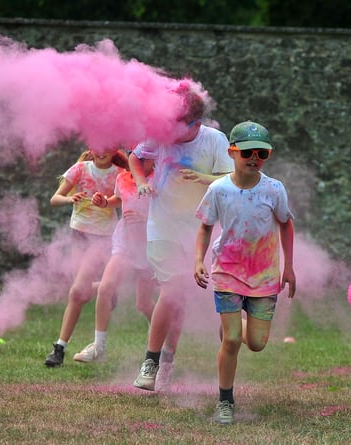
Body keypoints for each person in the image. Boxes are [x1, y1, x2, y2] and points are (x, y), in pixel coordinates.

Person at [130, 84, 234, 391]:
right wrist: (140, 182)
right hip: (161, 226)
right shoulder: (160, 134)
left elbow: (231, 180)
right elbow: (135, 157)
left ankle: (168, 359)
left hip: (198, 231)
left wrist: (205, 179)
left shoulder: (214, 141)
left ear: (195, 124)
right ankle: (150, 362)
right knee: (172, 289)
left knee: (178, 299)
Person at [193, 120, 296, 425]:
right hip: (227, 271)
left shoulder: (274, 189)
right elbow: (205, 226)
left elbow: (286, 224)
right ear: (232, 152)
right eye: (248, 152)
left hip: (265, 276)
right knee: (233, 341)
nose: (254, 158)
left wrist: (288, 266)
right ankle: (225, 401)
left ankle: (231, 326)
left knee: (257, 342)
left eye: (262, 154)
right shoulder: (218, 189)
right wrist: (198, 260)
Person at [44, 149, 128, 367]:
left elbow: (121, 200)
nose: (101, 152)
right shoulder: (80, 169)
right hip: (78, 236)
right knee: (79, 294)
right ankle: (106, 288)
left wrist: (105, 202)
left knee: (76, 291)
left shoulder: (119, 173)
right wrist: (70, 198)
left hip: (102, 238)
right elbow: (55, 198)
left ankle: (59, 349)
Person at [72, 158, 159, 363]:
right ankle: (99, 347)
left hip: (149, 246)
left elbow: (170, 212)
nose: (137, 162)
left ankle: (159, 342)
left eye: (143, 157)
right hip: (125, 243)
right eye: (133, 156)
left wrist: (146, 219)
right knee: (105, 288)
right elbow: (119, 200)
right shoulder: (122, 178)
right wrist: (105, 202)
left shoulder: (160, 178)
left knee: (143, 303)